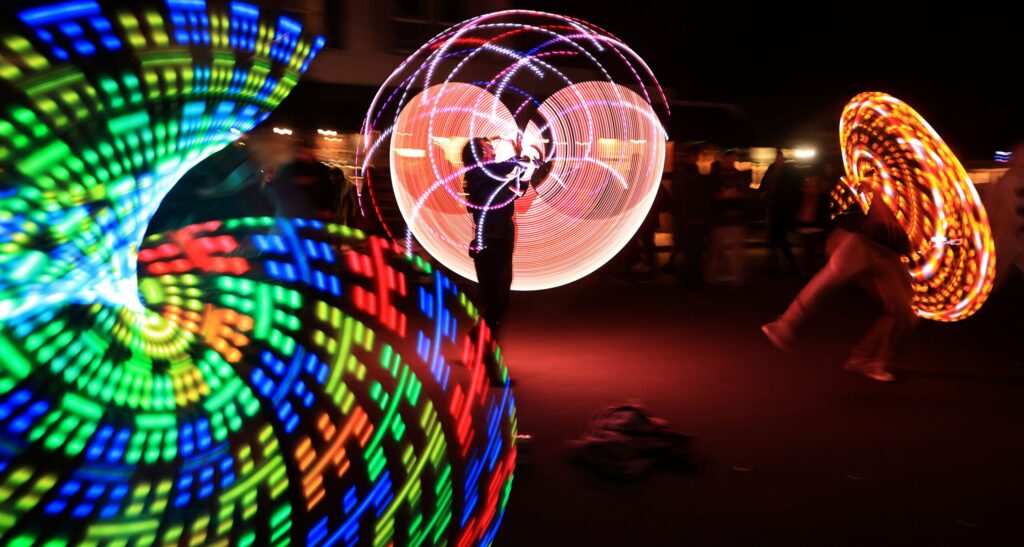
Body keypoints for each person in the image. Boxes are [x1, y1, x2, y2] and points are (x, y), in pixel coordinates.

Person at [761, 181, 918, 382]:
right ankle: (785, 325)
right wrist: (883, 207)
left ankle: (866, 359)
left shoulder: (922, 196)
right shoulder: (891, 179)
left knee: (905, 312)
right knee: (830, 278)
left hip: (890, 256)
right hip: (864, 244)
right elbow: (870, 188)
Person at [462, 137, 545, 380]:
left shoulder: (494, 174)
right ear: (480, 153)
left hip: (503, 240)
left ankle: (478, 338)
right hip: (487, 242)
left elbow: (517, 192)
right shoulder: (478, 173)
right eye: (489, 147)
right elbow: (503, 168)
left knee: (500, 302)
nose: (493, 149)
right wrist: (522, 160)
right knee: (495, 303)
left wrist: (527, 171)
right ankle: (489, 359)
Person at [669, 143, 715, 285]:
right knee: (694, 249)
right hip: (694, 217)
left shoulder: (683, 174)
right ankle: (692, 276)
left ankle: (689, 276)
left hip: (690, 217)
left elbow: (678, 196)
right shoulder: (693, 175)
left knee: (691, 249)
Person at [705, 149, 752, 285]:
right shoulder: (714, 177)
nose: (729, 162)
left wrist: (738, 194)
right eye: (727, 159)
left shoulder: (739, 176)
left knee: (734, 254)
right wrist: (721, 196)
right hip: (719, 219)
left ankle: (734, 279)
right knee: (717, 252)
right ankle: (715, 278)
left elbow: (747, 195)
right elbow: (708, 196)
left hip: (735, 219)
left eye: (732, 159)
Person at [761, 149, 801, 275]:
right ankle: (778, 263)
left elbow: (792, 190)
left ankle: (782, 263)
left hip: (781, 208)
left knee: (778, 237)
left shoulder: (785, 171)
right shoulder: (778, 170)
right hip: (776, 207)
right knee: (776, 237)